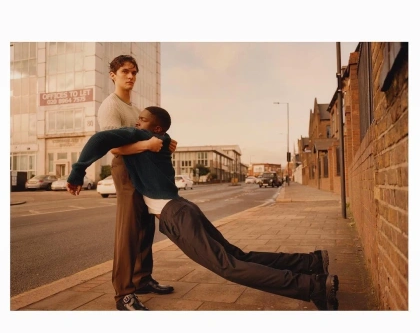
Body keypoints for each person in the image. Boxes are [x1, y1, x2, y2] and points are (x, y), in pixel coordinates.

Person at [67, 107, 339, 310]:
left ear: (156, 128)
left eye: (142, 119)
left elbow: (99, 139)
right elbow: (122, 149)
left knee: (228, 265)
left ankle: (313, 286)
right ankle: (311, 263)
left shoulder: (143, 136)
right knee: (236, 255)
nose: (137, 122)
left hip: (176, 214)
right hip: (184, 208)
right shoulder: (160, 142)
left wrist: (78, 171)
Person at [93, 55, 174, 311]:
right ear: (113, 75)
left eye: (134, 72)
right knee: (128, 232)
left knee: (145, 227)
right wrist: (148, 145)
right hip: (126, 170)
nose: (131, 76)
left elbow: (146, 136)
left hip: (142, 169)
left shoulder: (133, 107)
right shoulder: (110, 106)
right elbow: (115, 148)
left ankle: (142, 279)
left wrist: (164, 142)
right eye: (125, 71)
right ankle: (124, 294)